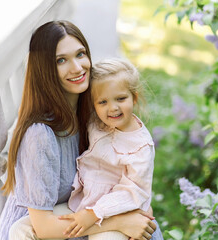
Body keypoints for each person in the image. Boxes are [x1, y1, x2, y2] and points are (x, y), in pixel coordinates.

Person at [0, 20, 163, 240]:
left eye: (81, 54)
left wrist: (139, 212)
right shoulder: (40, 135)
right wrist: (119, 221)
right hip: (52, 227)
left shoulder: (95, 115)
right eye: (61, 60)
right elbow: (44, 230)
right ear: (45, 70)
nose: (77, 67)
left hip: (83, 216)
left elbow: (134, 180)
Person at [59, 58, 156, 240]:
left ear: (134, 97)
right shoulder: (97, 122)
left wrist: (94, 213)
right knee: (25, 228)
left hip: (117, 214)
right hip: (82, 204)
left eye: (121, 98)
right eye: (102, 102)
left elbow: (133, 192)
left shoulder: (141, 147)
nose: (112, 108)